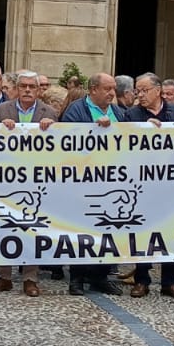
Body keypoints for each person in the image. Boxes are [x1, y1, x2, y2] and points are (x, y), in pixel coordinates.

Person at [0, 71, 56, 296]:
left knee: (32, 228)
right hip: (7, 177)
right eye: (23, 86)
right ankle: (4, 277)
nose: (27, 90)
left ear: (38, 90)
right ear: (16, 88)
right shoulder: (3, 110)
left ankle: (30, 278)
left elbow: (62, 146)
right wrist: (0, 128)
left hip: (37, 180)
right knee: (4, 226)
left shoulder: (50, 113)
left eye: (32, 87)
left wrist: (52, 127)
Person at [57, 73, 126, 297]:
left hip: (112, 181)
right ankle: (77, 278)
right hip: (83, 181)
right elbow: (67, 142)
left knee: (108, 229)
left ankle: (100, 276)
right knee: (82, 231)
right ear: (93, 89)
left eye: (113, 89)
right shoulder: (76, 111)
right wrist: (93, 129)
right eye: (107, 89)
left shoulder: (118, 113)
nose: (112, 93)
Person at [125, 73, 174, 299]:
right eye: (137, 91)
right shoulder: (131, 114)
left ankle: (169, 282)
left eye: (144, 90)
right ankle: (141, 279)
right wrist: (140, 129)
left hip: (172, 184)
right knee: (143, 230)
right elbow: (122, 146)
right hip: (143, 183)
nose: (140, 95)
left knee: (173, 230)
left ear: (158, 90)